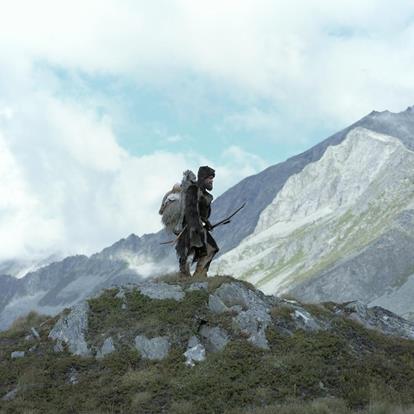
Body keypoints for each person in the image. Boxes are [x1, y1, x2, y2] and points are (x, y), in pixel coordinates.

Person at [176, 166, 219, 278]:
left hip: (200, 228)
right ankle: (184, 277)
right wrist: (196, 226)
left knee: (211, 249)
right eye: (210, 178)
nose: (211, 181)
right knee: (189, 252)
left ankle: (200, 275)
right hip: (190, 228)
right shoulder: (193, 190)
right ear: (203, 178)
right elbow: (191, 210)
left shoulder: (206, 195)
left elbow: (202, 214)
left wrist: (206, 223)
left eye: (212, 178)